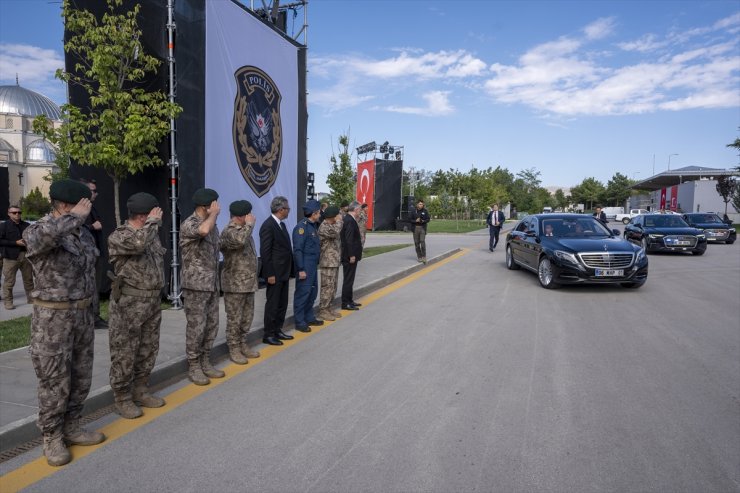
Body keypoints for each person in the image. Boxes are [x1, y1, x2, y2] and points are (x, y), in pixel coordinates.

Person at [23, 179, 106, 467]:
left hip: (82, 316)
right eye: (84, 202)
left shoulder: (81, 233)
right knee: (54, 380)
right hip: (53, 320)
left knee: (81, 376)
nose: (88, 207)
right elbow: (40, 240)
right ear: (65, 205)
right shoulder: (39, 229)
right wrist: (75, 218)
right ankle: (52, 435)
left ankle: (72, 426)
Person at [107, 192, 166, 419]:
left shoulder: (150, 233)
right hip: (129, 304)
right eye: (153, 213)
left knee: (148, 349)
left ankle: (141, 389)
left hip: (151, 302)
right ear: (143, 216)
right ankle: (122, 397)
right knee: (125, 352)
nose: (158, 217)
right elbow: (139, 245)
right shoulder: (120, 236)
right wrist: (152, 223)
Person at [179, 188, 223, 386]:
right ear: (205, 206)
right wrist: (212, 215)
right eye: (213, 205)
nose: (217, 208)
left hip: (211, 283)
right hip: (196, 285)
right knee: (197, 327)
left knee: (212, 324)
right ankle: (194, 365)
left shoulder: (212, 224)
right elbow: (202, 231)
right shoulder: (190, 223)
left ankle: (205, 360)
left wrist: (212, 217)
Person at [220, 200, 261, 364]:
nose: (251, 217)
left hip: (248, 282)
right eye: (247, 214)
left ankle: (243, 343)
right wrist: (249, 226)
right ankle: (234, 348)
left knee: (247, 317)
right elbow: (239, 241)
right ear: (240, 216)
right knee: (234, 319)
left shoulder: (245, 230)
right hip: (235, 284)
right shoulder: (229, 231)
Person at [259, 196, 295, 346]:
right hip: (275, 273)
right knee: (273, 304)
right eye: (288, 209)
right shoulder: (268, 226)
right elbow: (265, 253)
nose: (289, 211)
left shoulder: (282, 225)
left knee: (282, 303)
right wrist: (270, 274)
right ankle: (268, 334)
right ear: (281, 210)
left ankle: (277, 329)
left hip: (284, 272)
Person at [292, 199, 324, 333]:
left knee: (312, 292)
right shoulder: (301, 227)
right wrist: (301, 269)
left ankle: (309, 316)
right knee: (302, 294)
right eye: (318, 213)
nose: (320, 215)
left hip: (312, 265)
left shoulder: (313, 226)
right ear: (314, 213)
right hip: (305, 265)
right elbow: (298, 250)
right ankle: (299, 322)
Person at [81, 179, 108, 329]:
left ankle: (94, 316)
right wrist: (92, 226)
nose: (95, 194)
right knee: (90, 287)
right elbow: (75, 227)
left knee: (95, 287)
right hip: (87, 256)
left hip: (96, 253)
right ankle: (91, 318)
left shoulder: (92, 208)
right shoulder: (80, 210)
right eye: (92, 190)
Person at [1, 205, 34, 309]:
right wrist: (15, 243)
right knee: (9, 281)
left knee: (29, 280)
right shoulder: (4, 226)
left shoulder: (27, 225)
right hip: (10, 257)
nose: (17, 214)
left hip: (25, 256)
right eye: (14, 212)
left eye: (19, 212)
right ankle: (8, 301)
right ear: (9, 213)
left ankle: (31, 299)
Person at [317, 206, 343, 321]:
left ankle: (329, 308)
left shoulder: (331, 225)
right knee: (327, 287)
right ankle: (323, 310)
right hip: (327, 262)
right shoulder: (324, 226)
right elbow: (335, 232)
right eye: (337, 214)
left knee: (333, 286)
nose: (339, 216)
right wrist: (339, 221)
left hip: (334, 261)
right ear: (333, 216)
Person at [340, 201, 363, 310]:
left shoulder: (350, 219)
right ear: (355, 209)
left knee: (350, 279)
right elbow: (348, 240)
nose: (360, 211)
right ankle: (345, 303)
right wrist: (351, 255)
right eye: (359, 209)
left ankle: (350, 300)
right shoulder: (349, 220)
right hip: (349, 256)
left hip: (351, 255)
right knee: (348, 279)